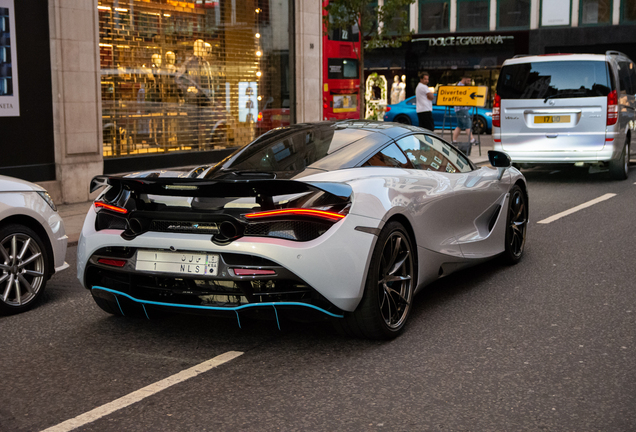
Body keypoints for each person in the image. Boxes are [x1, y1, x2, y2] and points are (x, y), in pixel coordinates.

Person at [452, 75, 475, 144]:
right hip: (462, 108)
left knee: (459, 126)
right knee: (468, 124)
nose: (469, 82)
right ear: (463, 79)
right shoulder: (461, 87)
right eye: (468, 80)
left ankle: (454, 140)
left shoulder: (459, 86)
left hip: (459, 109)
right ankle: (472, 140)